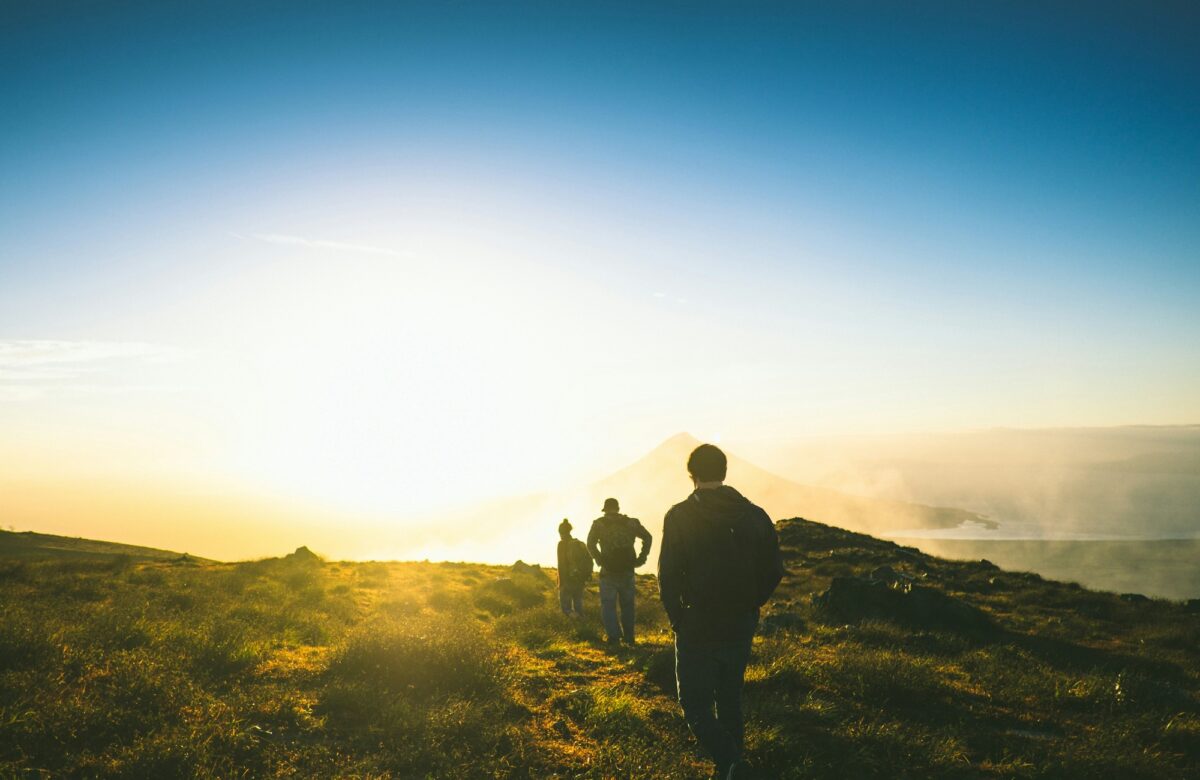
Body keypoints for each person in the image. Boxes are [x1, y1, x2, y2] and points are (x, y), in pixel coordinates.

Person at [658, 444, 785, 780]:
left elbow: (668, 576)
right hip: (740, 622)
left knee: (695, 706)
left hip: (697, 622)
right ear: (724, 472)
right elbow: (774, 569)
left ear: (692, 474)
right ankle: (732, 767)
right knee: (729, 699)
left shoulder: (680, 516)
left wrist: (678, 619)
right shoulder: (755, 514)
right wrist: (751, 603)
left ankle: (730, 761)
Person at [587, 497, 652, 646]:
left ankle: (614, 638)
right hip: (628, 570)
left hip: (608, 571)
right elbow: (648, 537)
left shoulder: (599, 524)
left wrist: (599, 560)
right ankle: (629, 638)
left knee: (608, 605)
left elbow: (590, 544)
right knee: (628, 606)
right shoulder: (631, 522)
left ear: (605, 509)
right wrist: (642, 558)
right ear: (618, 508)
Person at [556, 518, 592, 618]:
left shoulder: (562, 544)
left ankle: (576, 622)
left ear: (560, 532)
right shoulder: (579, 544)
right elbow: (589, 560)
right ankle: (583, 626)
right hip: (580, 580)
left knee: (566, 609)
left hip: (567, 580)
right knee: (578, 606)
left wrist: (561, 583)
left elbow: (561, 564)